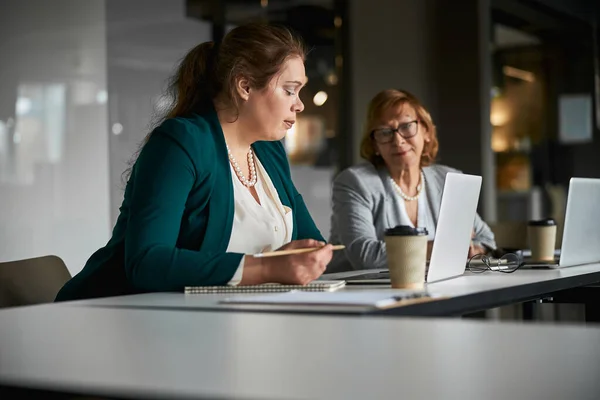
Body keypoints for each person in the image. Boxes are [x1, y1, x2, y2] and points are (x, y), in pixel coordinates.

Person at [55, 23, 333, 301]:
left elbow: (310, 245)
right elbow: (146, 262)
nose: (299, 105)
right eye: (289, 90)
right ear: (245, 86)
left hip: (222, 322)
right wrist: (266, 267)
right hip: (111, 315)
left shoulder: (269, 152)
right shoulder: (181, 143)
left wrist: (312, 258)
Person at [327, 89, 495, 273]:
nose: (398, 140)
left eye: (406, 126)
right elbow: (365, 256)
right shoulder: (355, 182)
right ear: (374, 144)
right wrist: (442, 248)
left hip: (433, 291)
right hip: (359, 294)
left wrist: (472, 250)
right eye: (385, 132)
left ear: (426, 131)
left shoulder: (447, 179)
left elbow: (487, 239)